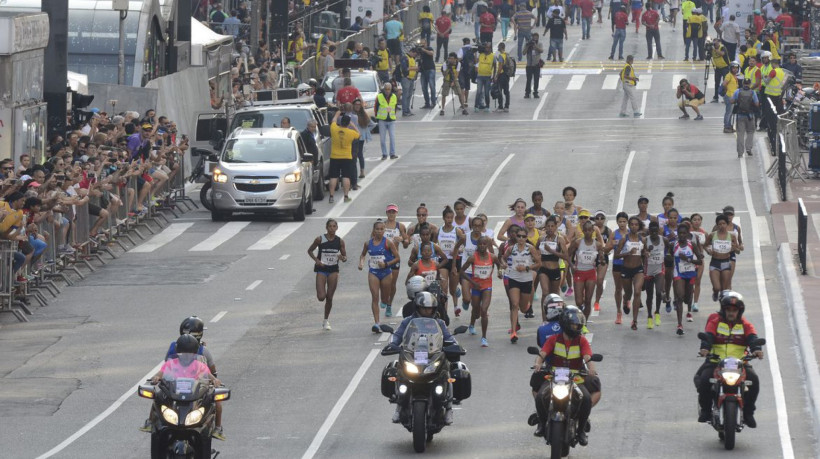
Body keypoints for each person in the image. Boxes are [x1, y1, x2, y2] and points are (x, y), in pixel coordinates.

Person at [531, 306, 598, 445]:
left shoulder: (582, 341)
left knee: (585, 399)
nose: (577, 327)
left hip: (576, 378)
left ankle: (581, 431)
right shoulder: (554, 339)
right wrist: (538, 364)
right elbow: (541, 354)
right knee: (540, 398)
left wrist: (592, 369)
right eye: (574, 324)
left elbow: (588, 358)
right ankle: (542, 425)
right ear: (566, 324)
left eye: (579, 325)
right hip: (553, 376)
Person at [695, 291, 763, 427]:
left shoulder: (746, 325)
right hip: (716, 363)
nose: (731, 313)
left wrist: (757, 350)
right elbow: (708, 337)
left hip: (740, 364)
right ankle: (706, 411)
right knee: (703, 380)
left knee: (754, 381)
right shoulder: (715, 322)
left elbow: (753, 339)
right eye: (728, 310)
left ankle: (749, 413)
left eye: (734, 310)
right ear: (723, 310)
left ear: (739, 311)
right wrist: (705, 349)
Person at [389, 291, 458, 425]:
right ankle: (399, 406)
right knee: (399, 371)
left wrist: (454, 345)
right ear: (417, 308)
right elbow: (398, 335)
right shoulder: (408, 321)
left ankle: (449, 407)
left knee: (447, 372)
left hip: (433, 355)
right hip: (412, 355)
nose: (427, 311)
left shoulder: (440, 323)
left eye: (430, 308)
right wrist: (392, 344)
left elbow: (449, 337)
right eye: (424, 308)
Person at [461, 236, 506, 347]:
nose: (482, 246)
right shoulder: (472, 258)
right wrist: (472, 282)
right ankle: (472, 324)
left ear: (487, 245)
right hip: (476, 287)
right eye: (480, 244)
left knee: (484, 311)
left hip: (487, 287)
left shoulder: (493, 257)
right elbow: (461, 272)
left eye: (484, 244)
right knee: (476, 312)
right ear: (477, 245)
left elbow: (500, 266)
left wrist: (500, 273)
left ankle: (484, 337)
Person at [359, 220, 401, 331]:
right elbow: (362, 255)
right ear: (374, 230)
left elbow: (397, 258)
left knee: (384, 299)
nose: (379, 231)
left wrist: (386, 264)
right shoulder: (368, 243)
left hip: (386, 273)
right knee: (374, 297)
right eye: (377, 229)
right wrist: (361, 263)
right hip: (373, 272)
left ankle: (385, 302)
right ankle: (377, 323)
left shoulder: (388, 243)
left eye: (381, 229)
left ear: (384, 230)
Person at [308, 219, 348, 330]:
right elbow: (310, 251)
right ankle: (322, 292)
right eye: (330, 226)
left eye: (334, 226)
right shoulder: (320, 239)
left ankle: (326, 320)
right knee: (321, 297)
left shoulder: (340, 241)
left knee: (329, 297)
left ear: (337, 228)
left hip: (333, 270)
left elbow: (345, 257)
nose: (332, 228)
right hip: (322, 269)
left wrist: (342, 257)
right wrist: (317, 260)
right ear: (326, 227)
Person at [504, 225, 541, 343]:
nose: (520, 238)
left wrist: (527, 267)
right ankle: (513, 332)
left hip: (526, 279)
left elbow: (539, 263)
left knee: (523, 309)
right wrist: (504, 265)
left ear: (526, 237)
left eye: (523, 236)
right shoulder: (511, 248)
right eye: (518, 236)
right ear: (516, 237)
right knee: (514, 304)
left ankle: (527, 305)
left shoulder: (530, 249)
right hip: (514, 278)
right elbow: (503, 258)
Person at [615, 217, 647, 330]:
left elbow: (644, 254)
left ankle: (635, 320)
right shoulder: (624, 239)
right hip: (626, 269)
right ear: (629, 225)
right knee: (629, 293)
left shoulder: (642, 240)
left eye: (636, 225)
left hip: (638, 269)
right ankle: (625, 299)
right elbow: (616, 255)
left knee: (637, 292)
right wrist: (628, 253)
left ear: (639, 226)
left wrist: (646, 254)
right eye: (632, 224)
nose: (634, 226)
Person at [704, 214, 738, 301]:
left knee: (724, 289)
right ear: (717, 225)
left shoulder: (732, 236)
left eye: (724, 223)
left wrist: (732, 248)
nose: (722, 226)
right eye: (720, 224)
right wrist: (708, 251)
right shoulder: (712, 235)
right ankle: (715, 293)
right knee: (717, 287)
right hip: (715, 263)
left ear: (727, 224)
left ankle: (723, 306)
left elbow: (737, 248)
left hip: (726, 263)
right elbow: (705, 245)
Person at [328, 111, 360, 204]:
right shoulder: (351, 133)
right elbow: (359, 134)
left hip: (334, 156)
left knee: (333, 177)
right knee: (346, 176)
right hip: (346, 157)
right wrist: (353, 125)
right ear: (348, 123)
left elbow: (333, 120)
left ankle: (331, 196)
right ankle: (346, 196)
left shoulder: (334, 129)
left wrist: (337, 113)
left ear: (341, 122)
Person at [374, 83, 399, 160]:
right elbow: (376, 107)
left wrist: (393, 115)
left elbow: (395, 107)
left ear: (391, 89)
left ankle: (392, 154)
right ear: (384, 89)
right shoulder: (379, 96)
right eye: (386, 89)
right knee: (382, 139)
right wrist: (377, 117)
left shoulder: (394, 96)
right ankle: (384, 154)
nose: (387, 91)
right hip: (382, 120)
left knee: (392, 137)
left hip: (391, 120)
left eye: (389, 89)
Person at [720, 61, 741, 133]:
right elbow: (724, 84)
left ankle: (729, 125)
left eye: (736, 68)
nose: (735, 70)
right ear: (730, 68)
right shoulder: (729, 75)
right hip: (729, 96)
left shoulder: (734, 76)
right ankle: (726, 127)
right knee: (728, 112)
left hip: (733, 96)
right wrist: (727, 90)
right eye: (733, 68)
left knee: (731, 112)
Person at [474, 42, 495, 112]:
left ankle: (487, 106)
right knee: (479, 91)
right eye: (486, 47)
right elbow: (476, 62)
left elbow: (495, 66)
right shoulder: (481, 55)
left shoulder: (493, 56)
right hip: (480, 76)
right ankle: (476, 106)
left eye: (489, 47)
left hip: (488, 77)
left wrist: (494, 76)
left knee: (486, 92)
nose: (487, 49)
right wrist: (475, 53)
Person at [418, 40, 438, 109]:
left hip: (430, 69)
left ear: (426, 43)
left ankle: (433, 102)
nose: (422, 45)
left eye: (423, 44)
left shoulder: (429, 48)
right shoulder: (419, 50)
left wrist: (424, 50)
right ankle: (427, 103)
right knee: (424, 87)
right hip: (423, 70)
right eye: (421, 44)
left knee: (432, 86)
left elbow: (431, 53)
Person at [399, 48, 419, 116]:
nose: (414, 55)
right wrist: (415, 68)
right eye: (414, 54)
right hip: (406, 78)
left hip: (411, 79)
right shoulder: (405, 58)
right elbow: (405, 68)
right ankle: (404, 111)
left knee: (409, 95)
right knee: (405, 95)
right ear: (411, 52)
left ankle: (407, 109)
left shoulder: (412, 59)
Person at [494, 43, 513, 112]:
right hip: (507, 75)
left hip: (501, 75)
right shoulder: (507, 54)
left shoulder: (501, 55)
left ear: (501, 47)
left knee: (499, 91)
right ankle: (507, 106)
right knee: (506, 91)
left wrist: (496, 76)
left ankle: (500, 106)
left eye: (498, 46)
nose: (498, 48)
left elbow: (500, 67)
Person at [524, 33, 544, 98]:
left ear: (538, 38)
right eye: (534, 37)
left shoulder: (539, 44)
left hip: (536, 64)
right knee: (528, 80)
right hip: (529, 65)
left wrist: (535, 47)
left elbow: (541, 51)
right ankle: (527, 92)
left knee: (536, 80)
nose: (535, 38)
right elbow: (523, 53)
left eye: (536, 37)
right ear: (532, 37)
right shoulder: (528, 44)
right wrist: (527, 46)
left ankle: (535, 92)